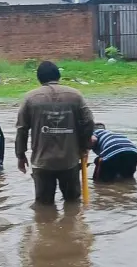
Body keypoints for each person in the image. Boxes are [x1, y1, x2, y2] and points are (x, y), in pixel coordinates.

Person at [15, 60, 94, 204]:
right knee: (73, 204)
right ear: (58, 76)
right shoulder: (75, 96)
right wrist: (84, 146)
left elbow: (22, 129)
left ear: (39, 79)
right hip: (69, 161)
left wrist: (20, 155)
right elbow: (89, 122)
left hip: (42, 162)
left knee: (44, 206)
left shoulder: (30, 98)